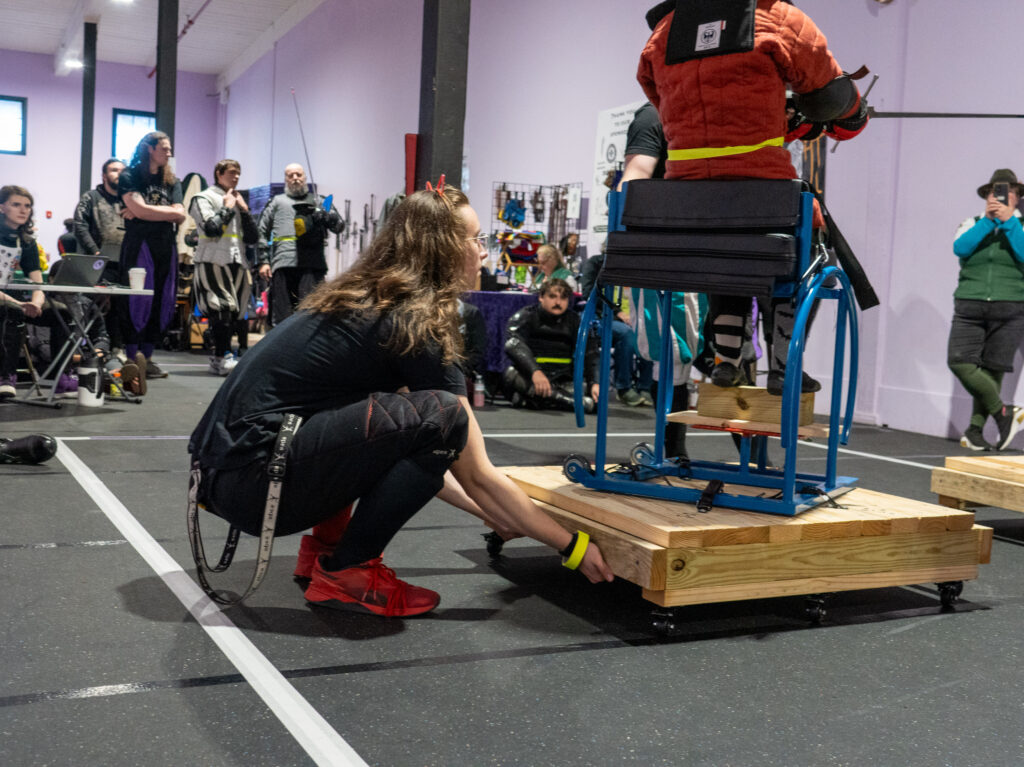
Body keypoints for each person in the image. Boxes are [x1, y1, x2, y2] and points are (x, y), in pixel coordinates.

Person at [188, 184, 614, 617]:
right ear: (445, 248)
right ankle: (347, 573)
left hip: (228, 478)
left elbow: (423, 452)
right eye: (477, 240)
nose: (483, 253)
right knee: (446, 415)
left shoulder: (370, 296)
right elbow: (473, 469)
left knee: (394, 419)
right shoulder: (417, 320)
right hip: (258, 483)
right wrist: (572, 545)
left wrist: (496, 515)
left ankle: (327, 549)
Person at [637, 0, 868, 396]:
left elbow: (661, 99)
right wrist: (852, 112)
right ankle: (783, 364)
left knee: (727, 247)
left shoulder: (661, 35)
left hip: (688, 205)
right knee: (806, 244)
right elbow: (833, 97)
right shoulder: (775, 16)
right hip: (763, 197)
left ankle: (727, 357)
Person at [948, 169, 1024, 451]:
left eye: (1007, 192)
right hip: (970, 304)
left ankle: (975, 431)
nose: (1000, 197)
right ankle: (1005, 413)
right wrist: (989, 222)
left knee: (993, 370)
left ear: (1016, 198)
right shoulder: (972, 223)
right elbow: (961, 248)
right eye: (995, 192)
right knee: (959, 361)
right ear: (987, 196)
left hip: (1011, 307)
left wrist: (1008, 224)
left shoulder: (1021, 225)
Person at [117, 131, 185, 387]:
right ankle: (132, 358)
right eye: (164, 148)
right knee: (137, 300)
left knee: (161, 300)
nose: (168, 153)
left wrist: (146, 212)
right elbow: (141, 210)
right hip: (139, 246)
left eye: (169, 149)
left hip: (165, 246)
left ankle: (148, 357)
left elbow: (179, 214)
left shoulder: (173, 180)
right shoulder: (130, 175)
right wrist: (166, 212)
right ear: (149, 149)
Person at [0, 186, 76, 398]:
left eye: (27, 206)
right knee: (11, 311)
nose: (23, 210)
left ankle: (60, 375)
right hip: (6, 302)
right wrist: (19, 304)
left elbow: (37, 283)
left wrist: (36, 302)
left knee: (62, 313)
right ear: (2, 207)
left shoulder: (27, 242)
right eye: (16, 205)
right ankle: (6, 376)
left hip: (13, 300)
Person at [189, 159, 259, 376]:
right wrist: (228, 208)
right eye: (231, 172)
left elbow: (253, 237)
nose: (236, 177)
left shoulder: (237, 199)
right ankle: (222, 356)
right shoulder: (203, 197)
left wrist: (245, 211)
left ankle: (222, 356)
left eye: (238, 173)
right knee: (221, 308)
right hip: (212, 259)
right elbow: (211, 229)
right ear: (218, 173)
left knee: (235, 313)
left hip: (236, 261)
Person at [256, 164, 345, 326]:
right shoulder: (276, 202)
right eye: (291, 175)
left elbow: (339, 226)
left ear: (305, 177)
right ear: (285, 179)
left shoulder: (320, 201)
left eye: (299, 174)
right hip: (283, 264)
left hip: (312, 265)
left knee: (311, 315)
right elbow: (260, 231)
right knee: (282, 317)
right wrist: (263, 261)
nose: (295, 178)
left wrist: (327, 216)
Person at [503, 278, 600, 413]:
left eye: (563, 298)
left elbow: (591, 351)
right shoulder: (526, 316)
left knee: (592, 392)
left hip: (565, 381)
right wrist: (535, 372)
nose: (558, 302)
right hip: (533, 378)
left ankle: (541, 400)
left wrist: (595, 383)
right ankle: (574, 403)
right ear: (541, 297)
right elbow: (513, 344)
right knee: (511, 375)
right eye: (552, 296)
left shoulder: (576, 321)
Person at [580, 250, 654, 407]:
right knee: (626, 333)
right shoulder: (595, 263)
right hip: (602, 318)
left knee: (648, 332)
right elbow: (588, 293)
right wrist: (617, 312)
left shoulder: (636, 268)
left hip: (632, 317)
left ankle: (645, 387)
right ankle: (624, 388)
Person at [74, 158, 129, 356]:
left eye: (123, 170)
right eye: (114, 170)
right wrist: (94, 251)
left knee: (121, 307)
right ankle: (89, 349)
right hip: (96, 262)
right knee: (91, 306)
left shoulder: (129, 199)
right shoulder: (91, 197)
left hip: (123, 264)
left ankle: (117, 349)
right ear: (104, 175)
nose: (119, 173)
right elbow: (79, 226)